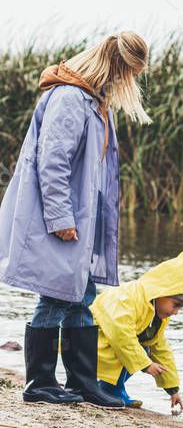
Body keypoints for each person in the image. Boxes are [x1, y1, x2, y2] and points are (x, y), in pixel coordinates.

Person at [0, 32, 151, 408]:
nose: (128, 83)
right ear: (115, 67)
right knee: (55, 294)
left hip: (79, 218)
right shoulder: (70, 98)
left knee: (82, 296)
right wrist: (59, 218)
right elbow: (53, 163)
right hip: (59, 217)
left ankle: (83, 382)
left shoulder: (94, 101)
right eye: (128, 74)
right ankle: (39, 383)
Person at [90, 250, 183, 414]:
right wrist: (146, 365)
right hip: (88, 342)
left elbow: (160, 349)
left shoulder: (155, 313)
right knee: (140, 351)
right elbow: (121, 336)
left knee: (146, 348)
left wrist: (173, 388)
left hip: (108, 344)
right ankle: (108, 389)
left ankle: (108, 388)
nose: (176, 312)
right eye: (176, 305)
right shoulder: (129, 298)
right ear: (161, 292)